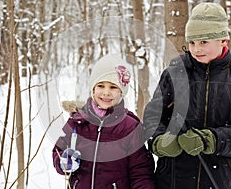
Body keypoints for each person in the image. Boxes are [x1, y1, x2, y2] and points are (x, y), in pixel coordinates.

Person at [143, 2, 231, 189]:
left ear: (223, 40)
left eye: (204, 42)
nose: (196, 49)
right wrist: (158, 142)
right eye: (192, 42)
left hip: (218, 180)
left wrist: (212, 140)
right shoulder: (176, 71)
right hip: (173, 178)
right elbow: (153, 116)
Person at [53, 55, 155, 189]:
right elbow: (59, 150)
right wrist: (63, 162)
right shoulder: (77, 121)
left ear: (121, 92)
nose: (106, 92)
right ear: (93, 89)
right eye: (101, 86)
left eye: (113, 87)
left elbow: (141, 172)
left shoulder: (130, 127)